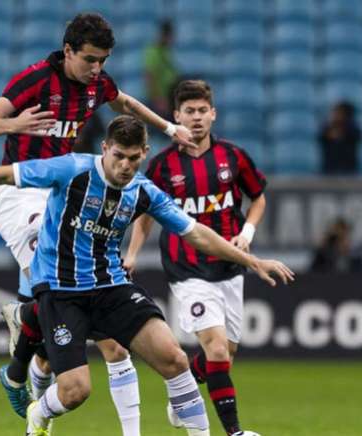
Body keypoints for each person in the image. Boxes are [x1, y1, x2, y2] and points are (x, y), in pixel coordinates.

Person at [0, 115, 294, 436]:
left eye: (133, 159)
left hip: (111, 288)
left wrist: (253, 261)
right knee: (75, 392)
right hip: (61, 292)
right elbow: (2, 174)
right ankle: (39, 412)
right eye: (118, 156)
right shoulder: (71, 169)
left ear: (144, 154)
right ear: (105, 149)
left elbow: (196, 234)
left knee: (174, 358)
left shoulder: (144, 191)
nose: (125, 166)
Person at [0, 12, 197, 434]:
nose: (97, 69)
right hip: (20, 192)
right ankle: (24, 327)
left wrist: (169, 127)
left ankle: (22, 353)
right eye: (90, 59)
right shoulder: (35, 80)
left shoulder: (97, 83)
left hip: (63, 188)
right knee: (53, 266)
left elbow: (125, 104)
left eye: (103, 60)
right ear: (68, 50)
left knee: (88, 322)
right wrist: (16, 124)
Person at [124, 80, 266, 436]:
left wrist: (246, 234)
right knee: (217, 348)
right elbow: (145, 216)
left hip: (230, 265)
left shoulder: (233, 157)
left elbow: (258, 197)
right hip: (186, 268)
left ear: (213, 114)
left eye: (203, 111)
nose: (197, 118)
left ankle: (181, 394)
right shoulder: (161, 166)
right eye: (189, 111)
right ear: (176, 116)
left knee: (225, 353)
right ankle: (234, 432)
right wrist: (132, 254)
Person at [144, 20, 178, 120]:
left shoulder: (167, 51)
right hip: (159, 102)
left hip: (169, 99)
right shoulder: (153, 51)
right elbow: (149, 77)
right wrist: (157, 100)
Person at [317, 101, 362, 175]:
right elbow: (321, 138)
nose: (337, 115)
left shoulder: (353, 128)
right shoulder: (327, 127)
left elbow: (356, 137)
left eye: (340, 112)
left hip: (349, 169)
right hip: (328, 169)